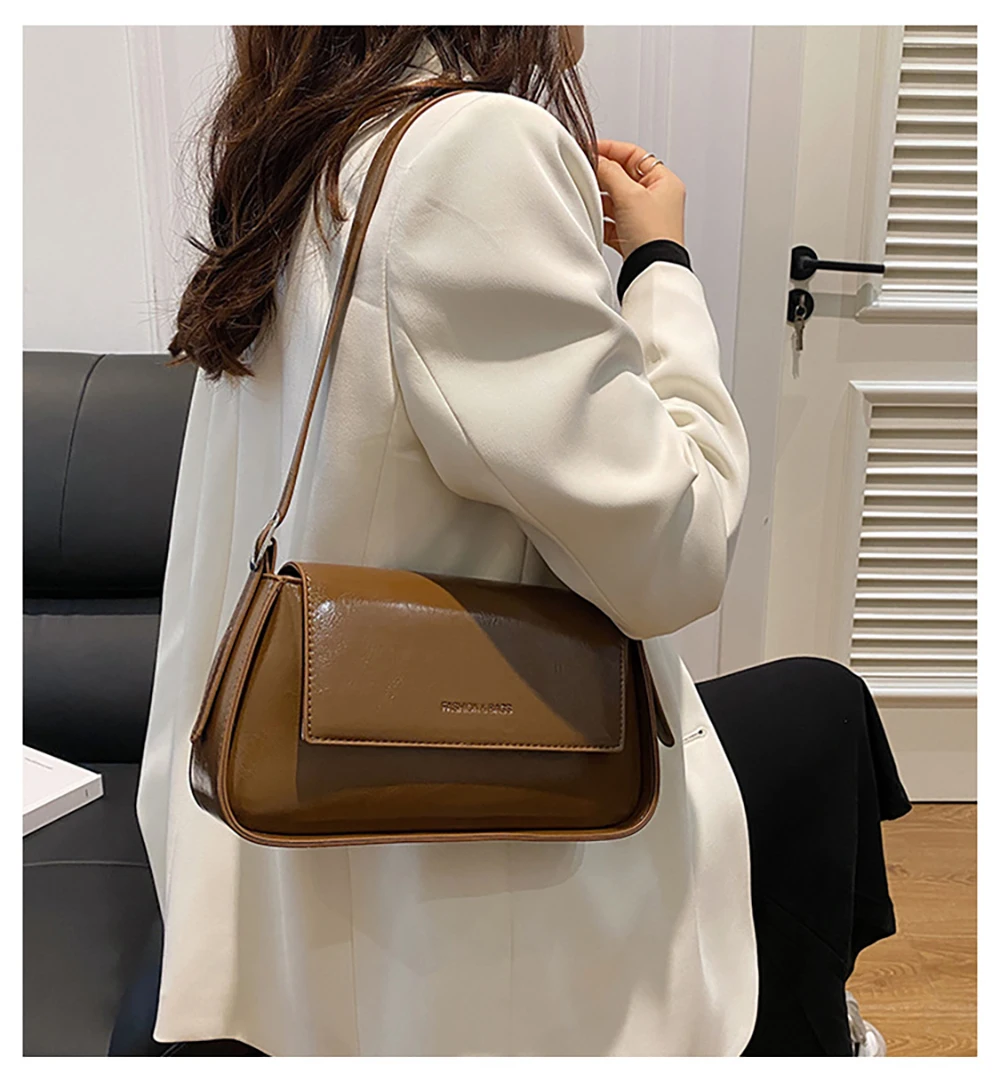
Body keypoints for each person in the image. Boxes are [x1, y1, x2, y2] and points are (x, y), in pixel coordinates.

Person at [116, 26, 911, 1057]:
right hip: (446, 878)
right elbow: (680, 551)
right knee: (822, 715)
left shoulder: (300, 158)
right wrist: (660, 266)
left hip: (291, 849)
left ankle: (813, 1024)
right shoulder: (466, 154)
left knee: (819, 713)